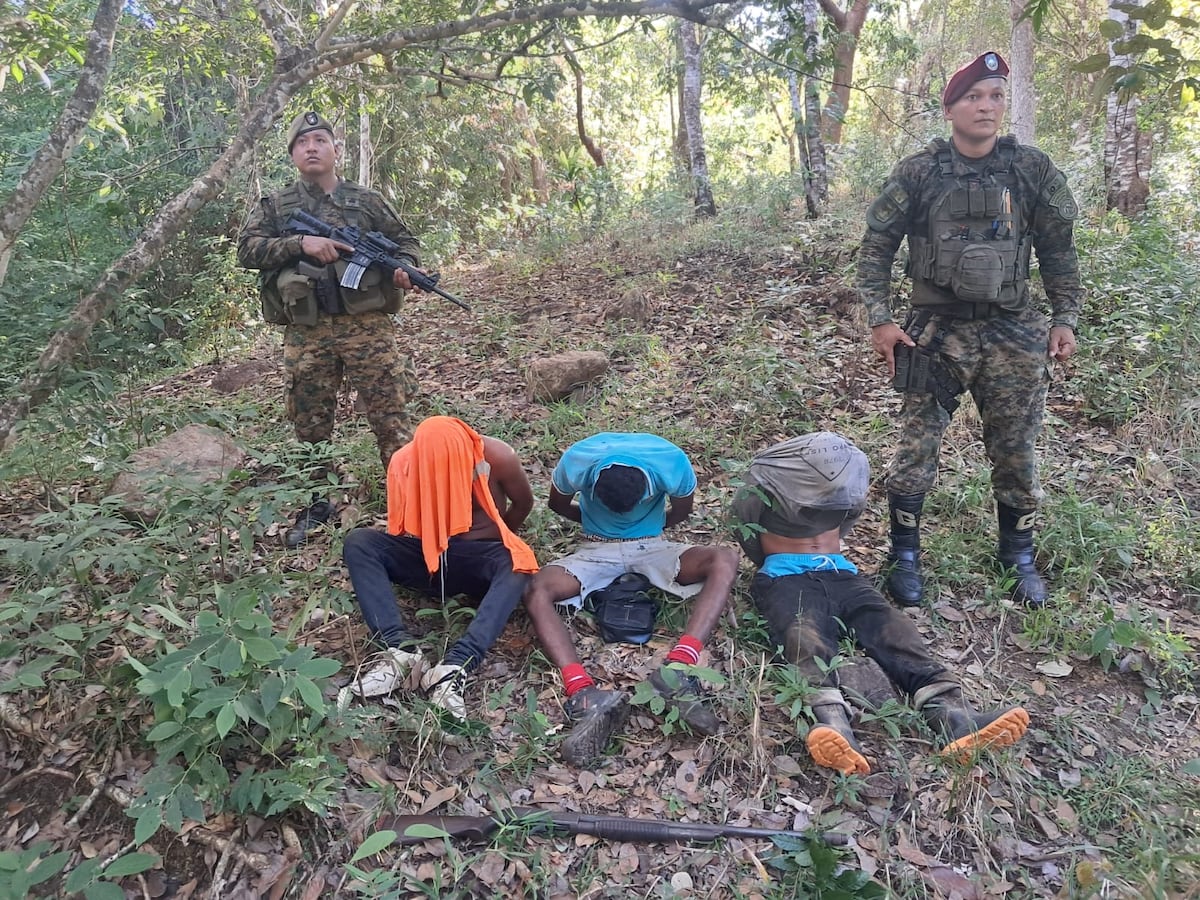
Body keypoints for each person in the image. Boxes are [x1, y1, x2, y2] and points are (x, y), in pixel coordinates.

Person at [856, 51, 1085, 607]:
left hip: (1013, 331)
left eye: (996, 96)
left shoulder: (1030, 169)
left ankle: (1018, 554)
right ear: (950, 109)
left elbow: (1058, 250)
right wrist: (882, 321)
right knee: (917, 446)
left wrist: (1065, 318)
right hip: (935, 332)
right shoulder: (919, 171)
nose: (986, 107)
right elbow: (877, 247)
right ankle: (904, 555)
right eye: (973, 97)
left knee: (1016, 447)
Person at [730, 431, 1030, 776]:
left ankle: (955, 717)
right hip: (785, 576)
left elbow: (849, 518)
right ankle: (831, 723)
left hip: (843, 575)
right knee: (803, 635)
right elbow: (745, 523)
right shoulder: (767, 482)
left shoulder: (846, 493)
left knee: (894, 629)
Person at [238, 110, 424, 548]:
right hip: (307, 330)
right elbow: (247, 249)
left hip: (368, 327)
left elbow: (406, 242)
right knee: (309, 420)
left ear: (336, 150)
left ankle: (410, 502)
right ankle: (315, 503)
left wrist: (407, 269)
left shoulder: (366, 200)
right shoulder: (277, 207)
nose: (312, 147)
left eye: (320, 139)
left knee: (390, 415)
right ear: (293, 156)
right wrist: (300, 244)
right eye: (302, 143)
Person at [522, 432, 739, 767]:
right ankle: (581, 691)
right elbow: (557, 504)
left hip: (651, 545)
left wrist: (646, 533)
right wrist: (601, 530)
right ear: (592, 484)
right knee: (537, 588)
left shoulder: (671, 462)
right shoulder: (578, 459)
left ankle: (679, 666)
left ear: (650, 487)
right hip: (594, 549)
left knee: (723, 559)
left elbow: (682, 511)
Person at [339, 416, 537, 719]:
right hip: (430, 557)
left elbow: (523, 504)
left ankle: (457, 664)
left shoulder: (497, 456)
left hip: (481, 557)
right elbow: (405, 526)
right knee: (360, 542)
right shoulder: (405, 461)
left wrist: (499, 540)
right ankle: (399, 651)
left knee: (516, 563)